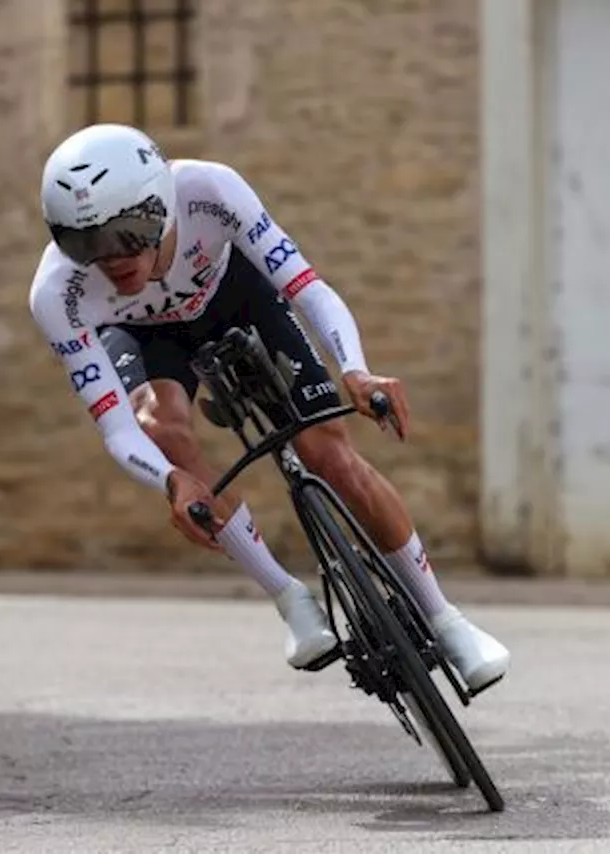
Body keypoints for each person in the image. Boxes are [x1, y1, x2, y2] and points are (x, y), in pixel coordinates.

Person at [28, 123, 509, 692]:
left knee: (329, 453)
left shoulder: (210, 190)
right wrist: (171, 481)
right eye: (85, 244)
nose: (111, 259)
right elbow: (114, 428)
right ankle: (290, 598)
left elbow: (308, 289)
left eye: (128, 233)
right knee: (160, 426)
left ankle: (446, 619)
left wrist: (354, 368)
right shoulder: (57, 294)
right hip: (140, 336)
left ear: (161, 204)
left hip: (233, 297)